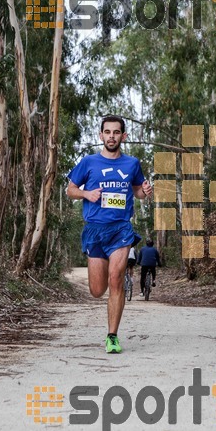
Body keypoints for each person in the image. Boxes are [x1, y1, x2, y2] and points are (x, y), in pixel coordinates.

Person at [66, 115, 152, 353]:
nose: (112, 136)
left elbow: (138, 191)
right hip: (95, 230)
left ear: (123, 136)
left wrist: (145, 191)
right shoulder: (89, 162)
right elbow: (70, 189)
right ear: (101, 135)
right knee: (96, 290)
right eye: (107, 132)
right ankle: (113, 287)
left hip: (121, 229)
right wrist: (87, 194)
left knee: (115, 279)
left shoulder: (132, 163)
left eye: (116, 132)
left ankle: (112, 336)